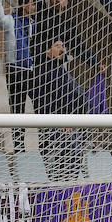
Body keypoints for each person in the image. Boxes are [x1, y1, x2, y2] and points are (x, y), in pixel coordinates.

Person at [0, 0, 39, 153]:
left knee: (40, 105)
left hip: (32, 71)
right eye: (32, 4)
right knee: (17, 109)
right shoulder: (11, 20)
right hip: (15, 71)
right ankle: (19, 149)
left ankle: (44, 145)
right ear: (24, 5)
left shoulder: (35, 24)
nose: (34, 8)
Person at [33, 39, 89, 180]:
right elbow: (43, 102)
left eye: (63, 46)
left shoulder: (60, 69)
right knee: (71, 152)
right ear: (48, 50)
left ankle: (68, 185)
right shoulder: (42, 71)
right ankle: (59, 187)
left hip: (68, 122)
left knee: (76, 154)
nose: (62, 49)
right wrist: (60, 120)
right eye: (58, 46)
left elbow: (78, 95)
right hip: (54, 124)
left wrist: (72, 119)